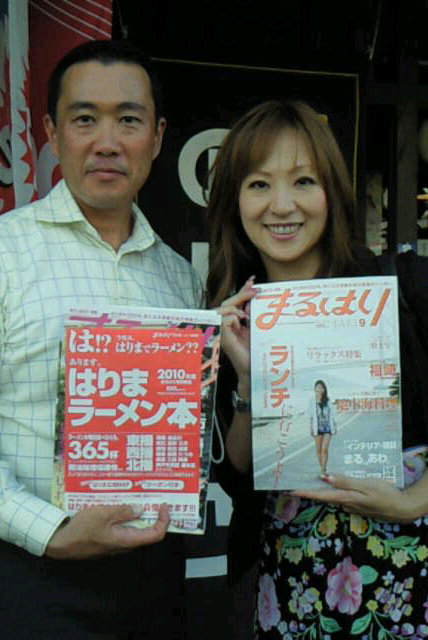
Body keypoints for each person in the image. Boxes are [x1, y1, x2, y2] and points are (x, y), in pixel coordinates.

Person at [0, 40, 204, 640]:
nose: (107, 142)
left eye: (129, 120)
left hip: (156, 576)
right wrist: (50, 530)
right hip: (34, 577)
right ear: (52, 132)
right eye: (85, 118)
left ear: (158, 138)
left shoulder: (179, 278)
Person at [206, 100, 428, 639]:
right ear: (235, 200)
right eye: (259, 184)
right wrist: (251, 380)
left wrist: (412, 501)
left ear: (331, 191)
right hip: (292, 587)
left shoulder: (407, 287)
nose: (282, 205)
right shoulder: (235, 317)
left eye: (303, 181)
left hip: (412, 575)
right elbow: (238, 474)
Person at [308, 379, 337, 477]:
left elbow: (332, 414)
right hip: (317, 428)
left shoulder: (327, 401)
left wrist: (335, 426)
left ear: (324, 389)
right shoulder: (311, 401)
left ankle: (323, 470)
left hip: (327, 428)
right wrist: (311, 428)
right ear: (315, 389)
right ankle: (322, 468)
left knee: (324, 449)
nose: (319, 389)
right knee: (318, 450)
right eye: (318, 387)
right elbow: (310, 416)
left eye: (321, 387)